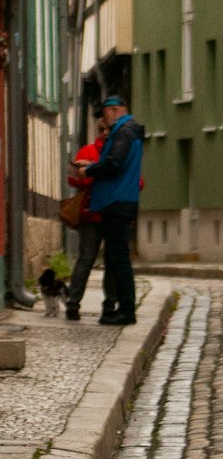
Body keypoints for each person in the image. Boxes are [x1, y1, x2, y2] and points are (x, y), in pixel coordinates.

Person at [78, 95, 144, 326]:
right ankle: (123, 309)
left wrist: (91, 170)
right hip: (118, 201)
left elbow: (115, 163)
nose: (103, 119)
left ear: (114, 110)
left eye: (105, 113)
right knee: (117, 259)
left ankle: (127, 311)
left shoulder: (123, 132)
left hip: (117, 202)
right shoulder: (126, 131)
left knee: (119, 259)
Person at [64, 113, 109, 321]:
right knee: (86, 259)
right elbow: (72, 178)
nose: (105, 133)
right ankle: (72, 303)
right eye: (102, 129)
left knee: (114, 262)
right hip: (91, 215)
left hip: (115, 215)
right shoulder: (89, 151)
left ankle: (111, 304)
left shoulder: (121, 150)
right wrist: (89, 175)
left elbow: (138, 182)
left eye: (109, 129)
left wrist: (94, 174)